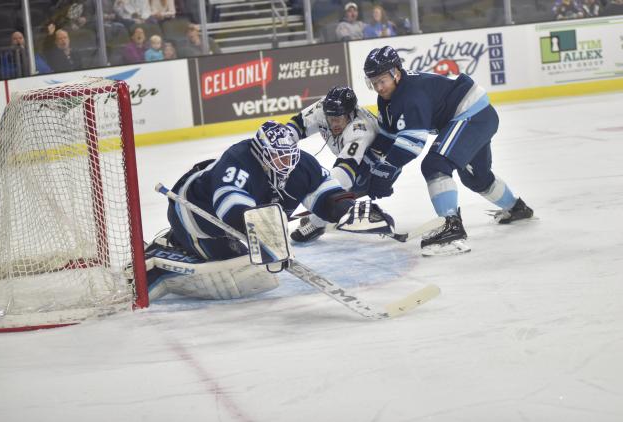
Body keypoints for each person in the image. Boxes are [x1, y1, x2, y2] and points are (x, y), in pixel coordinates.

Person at [144, 121, 394, 300]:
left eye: (290, 157)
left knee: (254, 270)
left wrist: (349, 211)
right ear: (262, 153)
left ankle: (175, 241)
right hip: (193, 213)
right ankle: (162, 259)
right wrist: (267, 236)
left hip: (228, 219)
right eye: (278, 158)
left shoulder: (301, 163)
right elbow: (231, 211)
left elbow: (328, 195)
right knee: (234, 267)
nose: (286, 164)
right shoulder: (238, 161)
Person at [363, 46, 534, 256]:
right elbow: (387, 138)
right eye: (373, 82)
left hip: (472, 115)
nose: (379, 87)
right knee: (476, 178)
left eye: (382, 80)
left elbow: (412, 144)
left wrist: (386, 171)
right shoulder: (389, 98)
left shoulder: (410, 95)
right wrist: (370, 170)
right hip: (478, 115)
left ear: (396, 73)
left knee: (435, 165)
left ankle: (451, 226)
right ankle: (517, 209)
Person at [285, 86, 386, 243]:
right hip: (351, 158)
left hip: (377, 166)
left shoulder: (360, 129)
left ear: (350, 114)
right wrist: (280, 148)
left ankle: (316, 224)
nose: (333, 124)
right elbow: (297, 125)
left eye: (338, 119)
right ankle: (326, 212)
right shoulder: (323, 109)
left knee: (334, 186)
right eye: (330, 119)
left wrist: (320, 199)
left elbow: (344, 172)